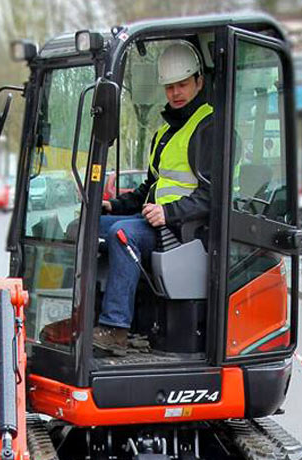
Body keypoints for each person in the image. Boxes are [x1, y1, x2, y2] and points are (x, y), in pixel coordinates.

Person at [94, 41, 214, 350]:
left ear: (199, 81)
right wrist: (111, 205)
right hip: (157, 221)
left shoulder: (209, 129)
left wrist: (168, 213)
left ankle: (116, 328)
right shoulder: (166, 133)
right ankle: (82, 315)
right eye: (170, 86)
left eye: (182, 84)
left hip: (186, 230)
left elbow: (215, 196)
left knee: (122, 234)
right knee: (89, 225)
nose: (175, 93)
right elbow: (150, 186)